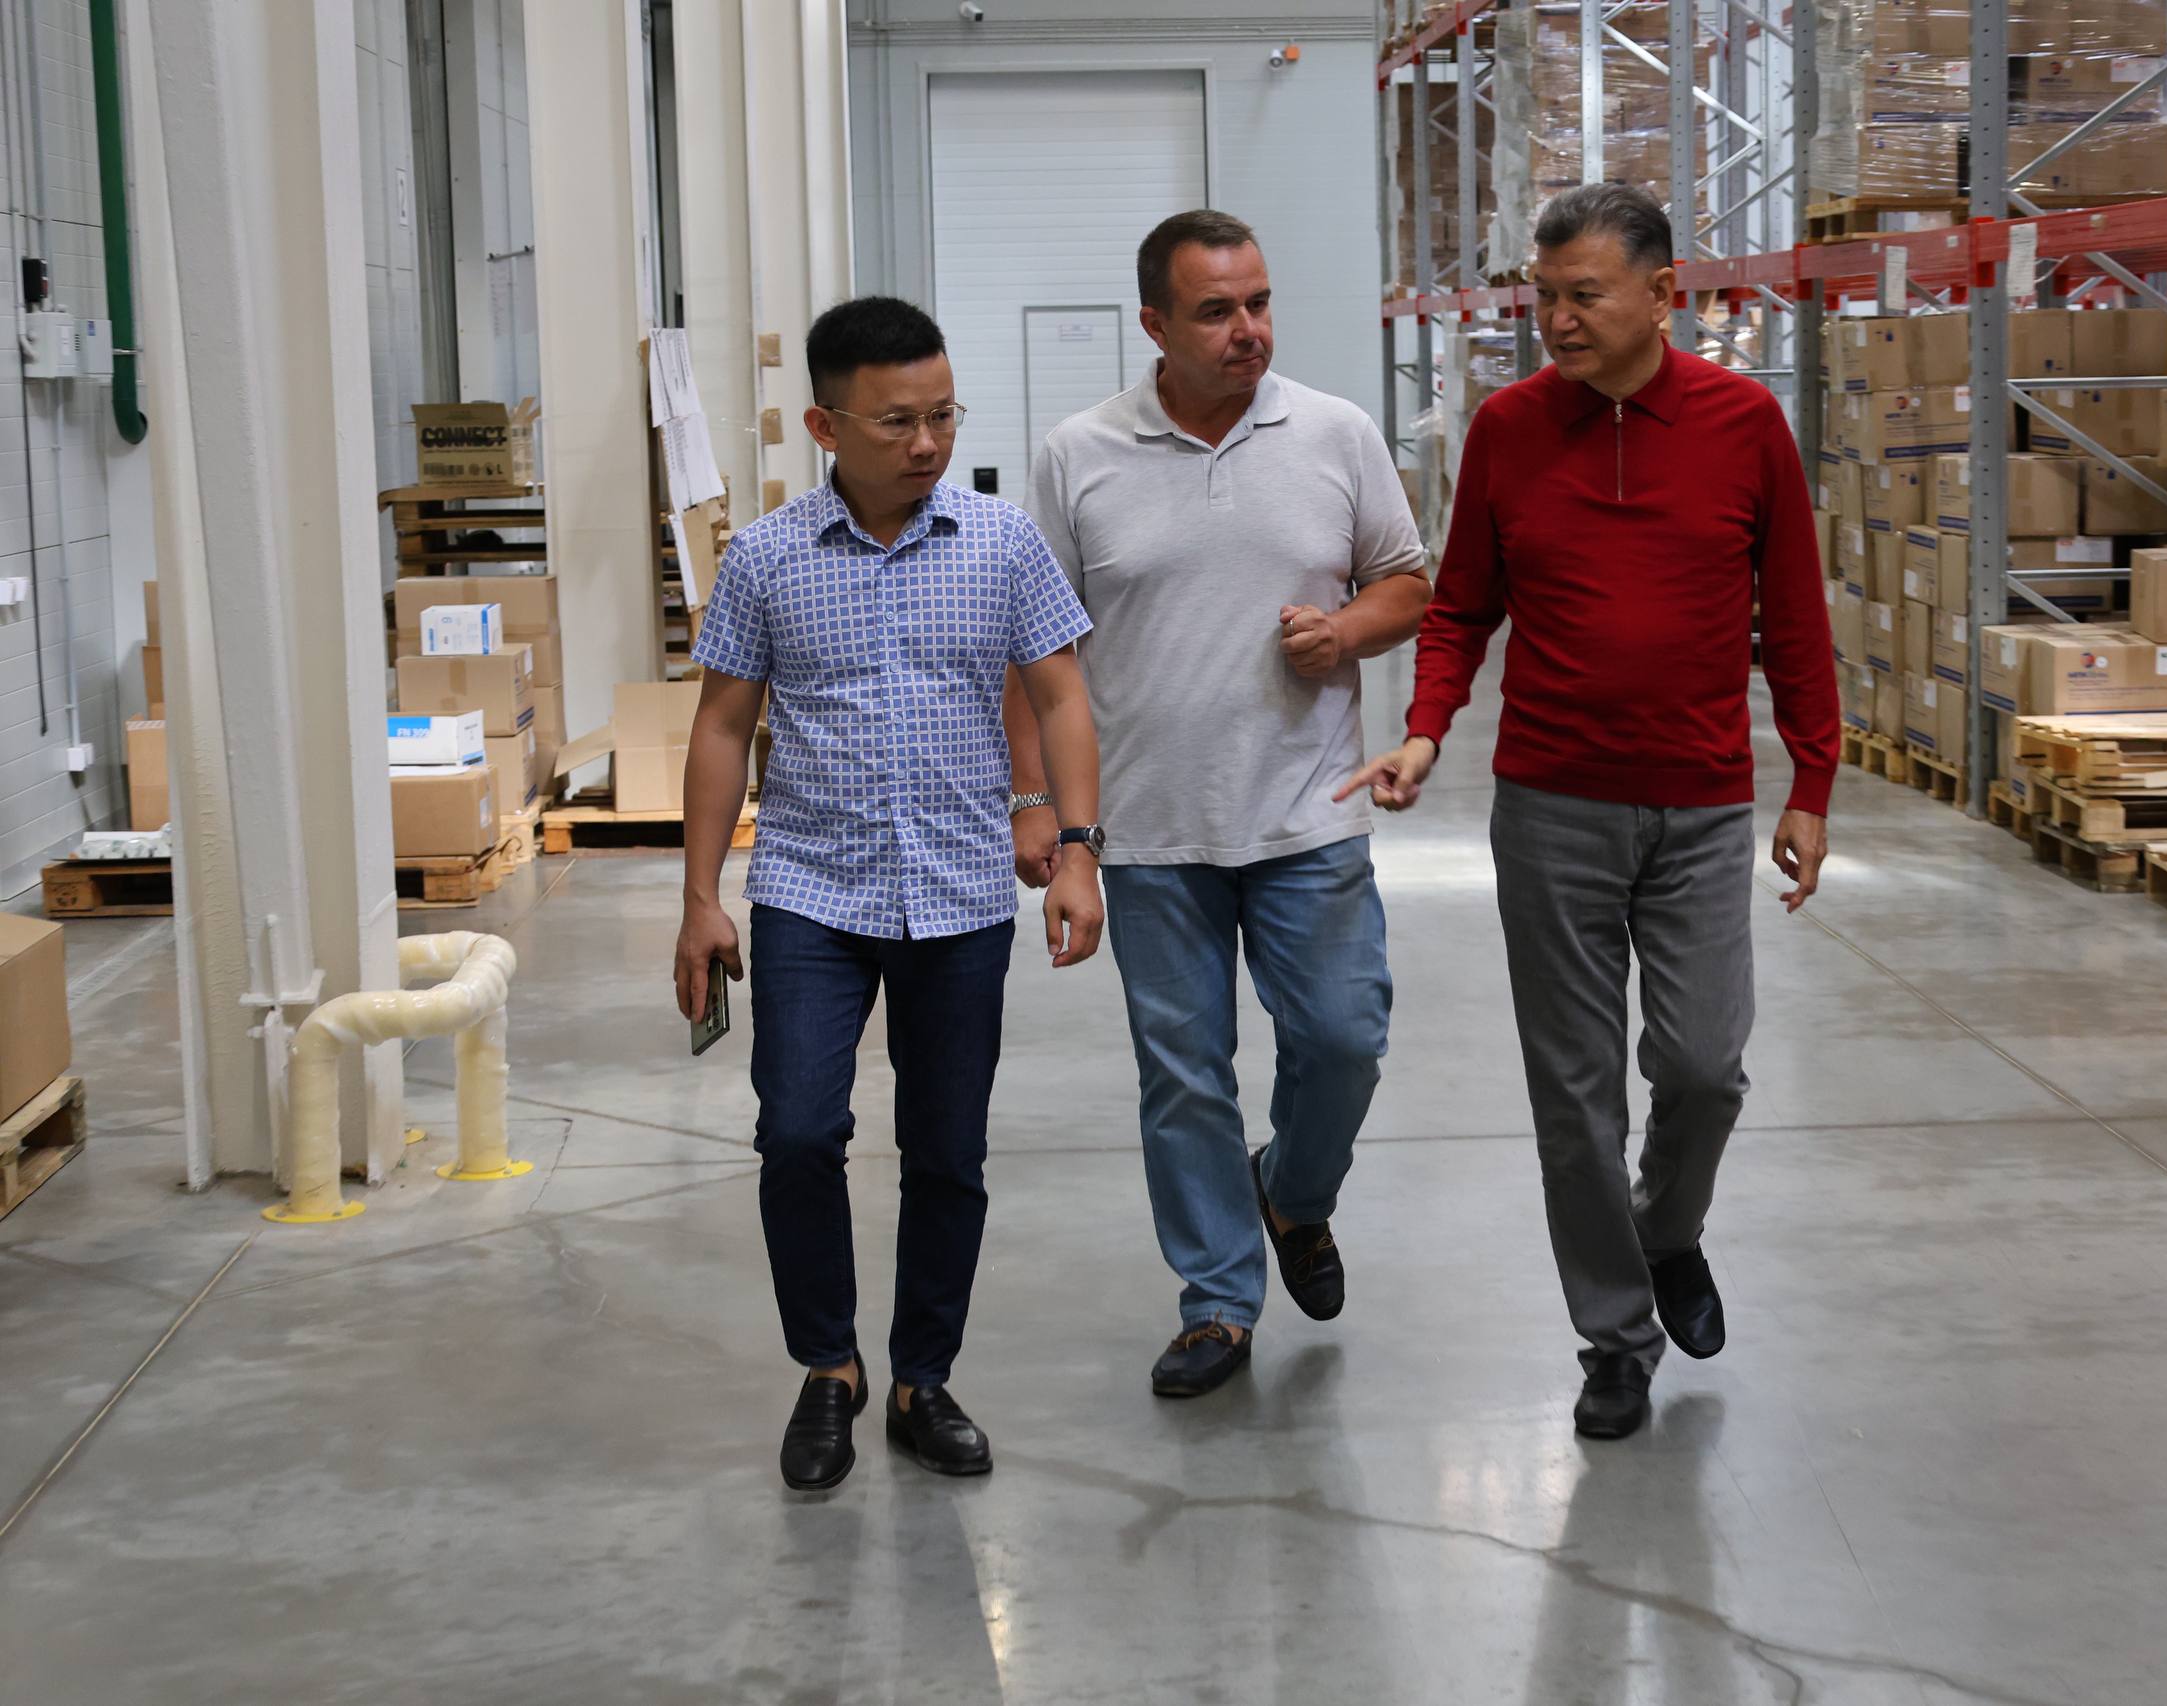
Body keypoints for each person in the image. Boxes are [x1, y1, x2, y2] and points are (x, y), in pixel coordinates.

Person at [1340, 184, 1838, 1441]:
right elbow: (1460, 605)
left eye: (1582, 296)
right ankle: (1614, 1337)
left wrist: (1812, 782)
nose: (1554, 320)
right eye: (1543, 296)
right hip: (1551, 807)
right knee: (1575, 1095)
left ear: (1662, 296)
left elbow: (1794, 616)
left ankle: (1666, 1230)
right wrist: (1425, 727)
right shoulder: (1509, 430)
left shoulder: (1744, 425)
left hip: (1701, 805)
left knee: (1703, 1069)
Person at [673, 296, 1106, 1490]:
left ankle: (923, 1377)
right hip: (810, 888)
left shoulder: (1001, 541)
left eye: (942, 415)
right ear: (825, 425)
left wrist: (1075, 847)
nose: (927, 442)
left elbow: (1061, 694)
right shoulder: (766, 557)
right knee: (799, 1132)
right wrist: (701, 894)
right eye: (897, 421)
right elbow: (721, 725)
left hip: (960, 891)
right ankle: (829, 1367)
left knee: (948, 1148)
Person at [1004, 209, 1430, 1399]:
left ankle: (1290, 1190)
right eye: (1214, 311)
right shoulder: (1078, 453)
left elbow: (1407, 583)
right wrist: (1037, 803)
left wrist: (1342, 629)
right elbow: (1033, 651)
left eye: (1257, 303)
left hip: (1307, 811)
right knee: (1184, 1073)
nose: (1247, 330)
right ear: (1154, 323)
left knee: (1343, 1037)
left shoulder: (1334, 432)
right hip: (1147, 827)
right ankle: (1218, 1302)